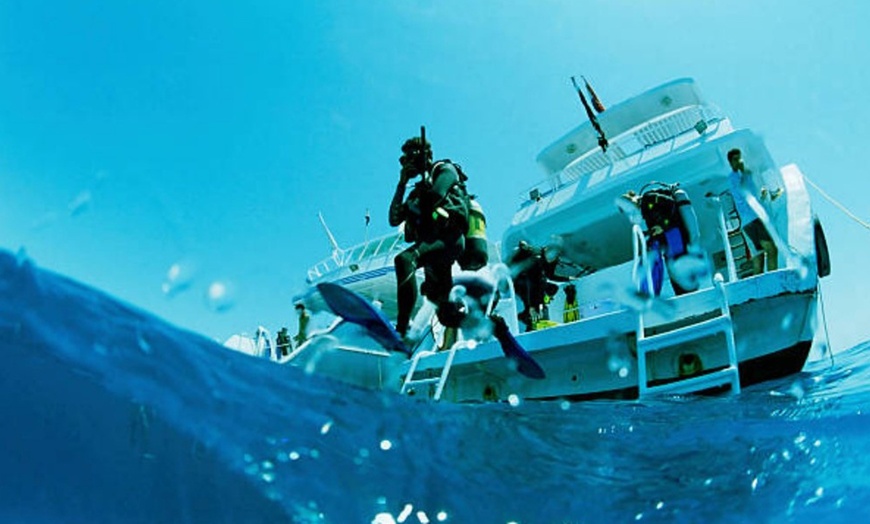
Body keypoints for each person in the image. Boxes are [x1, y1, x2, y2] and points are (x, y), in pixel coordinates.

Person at [389, 135, 471, 338]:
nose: (407, 162)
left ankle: (401, 329)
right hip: (430, 249)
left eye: (410, 157)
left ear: (426, 155)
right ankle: (486, 326)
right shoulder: (416, 191)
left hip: (449, 239)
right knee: (445, 310)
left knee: (404, 260)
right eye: (403, 160)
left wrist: (415, 204)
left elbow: (435, 196)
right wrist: (402, 184)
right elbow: (393, 219)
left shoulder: (444, 169)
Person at [727, 148, 779, 274]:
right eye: (736, 159)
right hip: (754, 220)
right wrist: (744, 172)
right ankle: (774, 283)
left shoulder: (743, 176)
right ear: (731, 163)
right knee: (772, 250)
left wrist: (761, 196)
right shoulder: (734, 178)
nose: (739, 161)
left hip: (748, 222)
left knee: (759, 256)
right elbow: (742, 190)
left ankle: (761, 291)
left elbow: (749, 197)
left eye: (740, 158)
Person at [507, 240, 561, 331]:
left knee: (550, 288)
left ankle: (529, 317)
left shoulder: (546, 262)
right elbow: (532, 283)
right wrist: (532, 306)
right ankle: (527, 317)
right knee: (534, 300)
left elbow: (550, 275)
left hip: (533, 285)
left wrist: (568, 278)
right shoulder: (536, 260)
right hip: (523, 284)